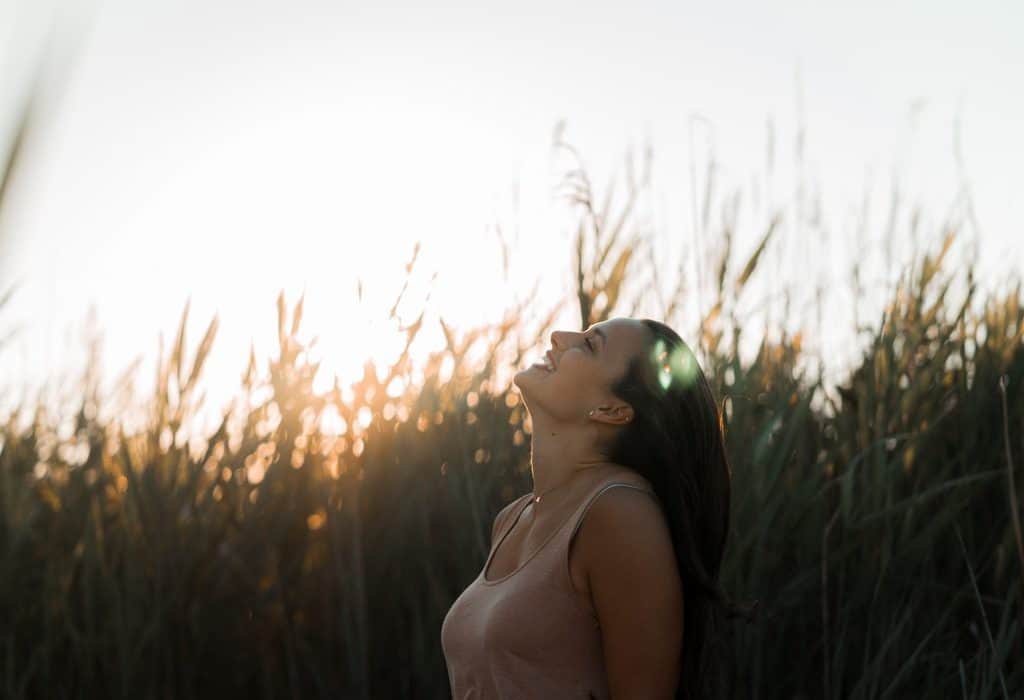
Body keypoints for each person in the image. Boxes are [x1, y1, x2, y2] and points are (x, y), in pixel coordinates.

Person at [441, 317, 757, 699]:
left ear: (611, 410)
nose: (559, 337)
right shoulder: (512, 519)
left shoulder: (619, 514)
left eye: (590, 345)